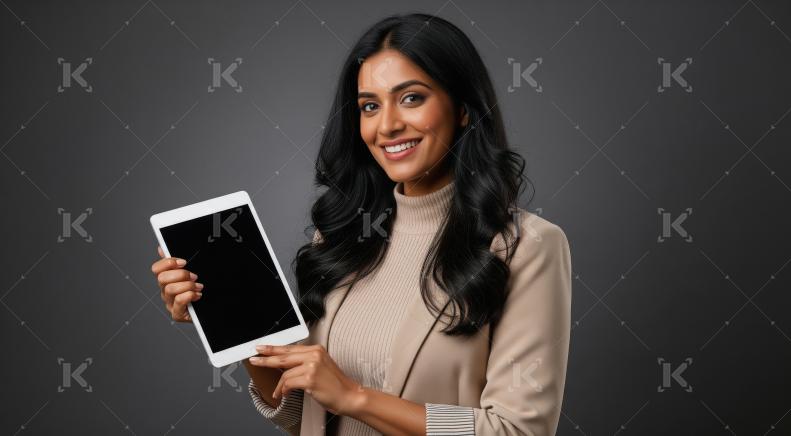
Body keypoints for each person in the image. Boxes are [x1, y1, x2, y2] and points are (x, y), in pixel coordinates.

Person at [151, 13, 572, 436]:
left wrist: (356, 397)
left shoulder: (527, 247)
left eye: (411, 98)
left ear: (462, 109)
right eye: (370, 106)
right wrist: (232, 320)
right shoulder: (343, 236)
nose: (386, 125)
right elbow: (304, 417)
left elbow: (515, 430)